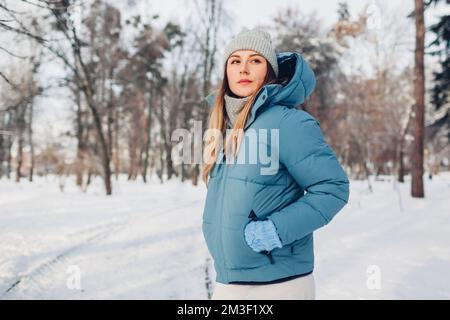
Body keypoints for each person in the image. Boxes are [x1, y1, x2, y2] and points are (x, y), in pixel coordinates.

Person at [201, 27, 350, 300]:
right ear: (226, 72)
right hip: (229, 281)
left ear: (269, 72)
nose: (243, 69)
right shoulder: (225, 128)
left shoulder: (289, 122)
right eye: (235, 61)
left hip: (278, 284)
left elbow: (332, 189)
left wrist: (273, 232)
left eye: (255, 60)